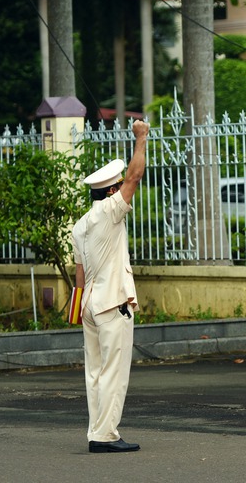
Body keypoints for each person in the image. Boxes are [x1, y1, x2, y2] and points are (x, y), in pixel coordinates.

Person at [72, 120, 149, 453]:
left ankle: (96, 431)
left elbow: (79, 273)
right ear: (109, 192)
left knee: (95, 373)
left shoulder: (80, 224)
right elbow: (134, 176)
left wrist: (77, 311)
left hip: (89, 305)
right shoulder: (108, 212)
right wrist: (141, 138)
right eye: (117, 187)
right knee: (114, 374)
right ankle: (105, 436)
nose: (123, 191)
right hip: (111, 304)